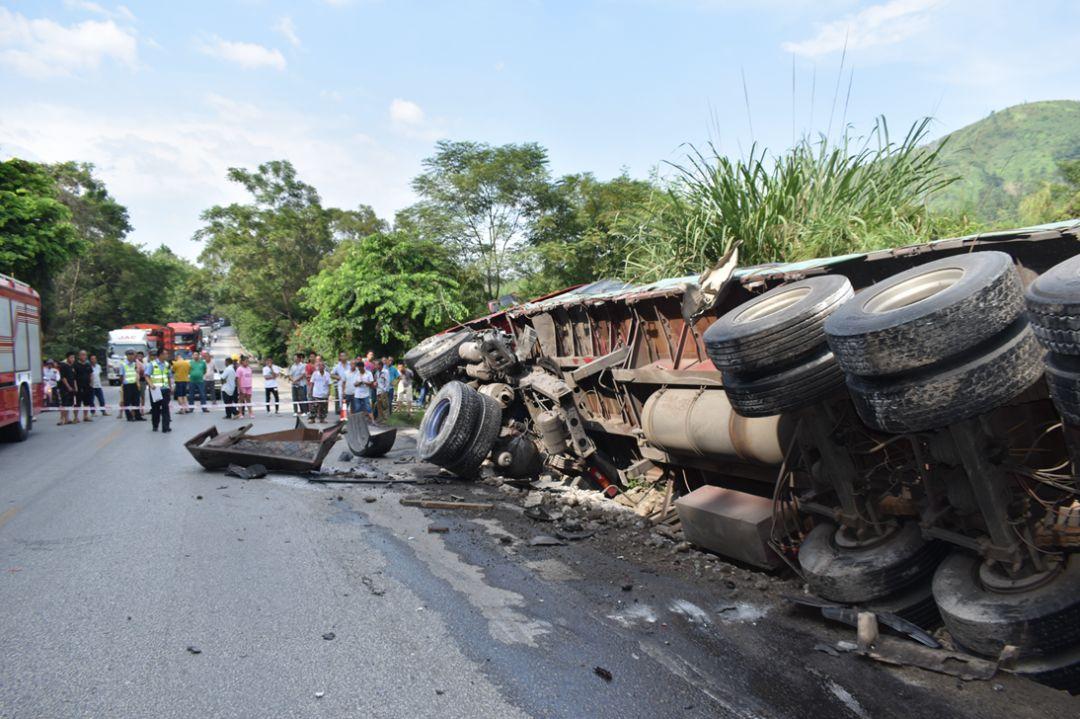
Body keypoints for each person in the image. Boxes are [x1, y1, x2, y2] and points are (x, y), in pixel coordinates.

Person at [144, 349, 173, 433]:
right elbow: (147, 376)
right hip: (155, 390)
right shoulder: (152, 364)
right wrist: (151, 384)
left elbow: (168, 376)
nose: (167, 355)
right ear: (160, 355)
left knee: (165, 408)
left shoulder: (167, 364)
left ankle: (166, 427)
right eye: (165, 354)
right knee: (155, 409)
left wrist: (171, 387)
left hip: (165, 389)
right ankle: (155, 425)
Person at [121, 349, 144, 421]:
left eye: (132, 355)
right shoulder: (123, 364)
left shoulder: (135, 364)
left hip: (135, 384)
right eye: (129, 355)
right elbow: (121, 376)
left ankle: (138, 416)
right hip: (127, 385)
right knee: (127, 402)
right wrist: (123, 384)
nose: (131, 357)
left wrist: (138, 383)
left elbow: (137, 373)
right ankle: (129, 417)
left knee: (136, 401)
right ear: (127, 356)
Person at [58, 352, 78, 425]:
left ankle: (67, 418)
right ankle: (61, 419)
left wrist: (75, 387)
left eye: (74, 357)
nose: (73, 359)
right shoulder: (63, 366)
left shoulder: (72, 367)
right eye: (71, 357)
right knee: (64, 404)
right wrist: (68, 386)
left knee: (70, 403)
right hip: (64, 388)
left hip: (72, 388)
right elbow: (63, 378)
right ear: (67, 358)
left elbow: (74, 378)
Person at [74, 350, 95, 422]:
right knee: (77, 403)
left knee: (86, 402)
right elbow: (73, 377)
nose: (83, 356)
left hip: (87, 386)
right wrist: (75, 386)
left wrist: (91, 383)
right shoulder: (76, 365)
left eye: (85, 355)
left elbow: (91, 374)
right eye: (82, 355)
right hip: (79, 386)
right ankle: (75, 417)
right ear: (79, 356)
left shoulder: (88, 364)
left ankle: (85, 416)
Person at [375, 358, 391, 422]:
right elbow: (377, 381)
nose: (376, 366)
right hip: (378, 390)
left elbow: (388, 381)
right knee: (379, 405)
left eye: (377, 365)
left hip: (384, 391)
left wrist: (385, 390)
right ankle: (380, 418)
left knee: (385, 405)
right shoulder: (377, 372)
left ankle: (386, 419)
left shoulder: (385, 371)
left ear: (380, 365)